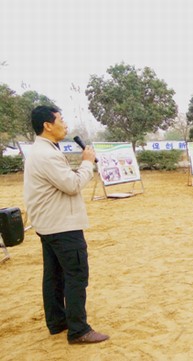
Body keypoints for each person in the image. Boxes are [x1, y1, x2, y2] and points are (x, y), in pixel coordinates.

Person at [23, 106, 109, 344]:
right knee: (76, 275)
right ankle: (79, 330)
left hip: (49, 225)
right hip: (62, 226)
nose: (66, 125)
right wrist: (86, 163)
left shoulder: (41, 151)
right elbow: (71, 185)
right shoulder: (47, 154)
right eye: (61, 120)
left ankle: (57, 321)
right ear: (47, 125)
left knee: (55, 276)